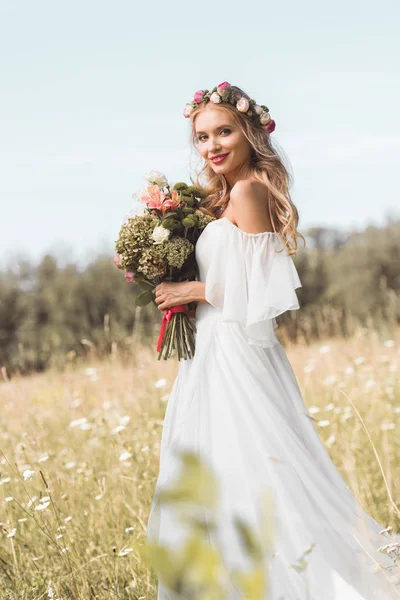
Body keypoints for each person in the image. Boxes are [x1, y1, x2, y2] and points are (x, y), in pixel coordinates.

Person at [146, 81, 400, 599]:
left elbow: (263, 293)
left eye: (223, 132)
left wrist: (189, 288)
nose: (212, 145)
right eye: (201, 137)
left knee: (256, 465)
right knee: (218, 468)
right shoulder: (221, 198)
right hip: (210, 352)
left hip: (237, 351)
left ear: (249, 131)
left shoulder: (249, 190)